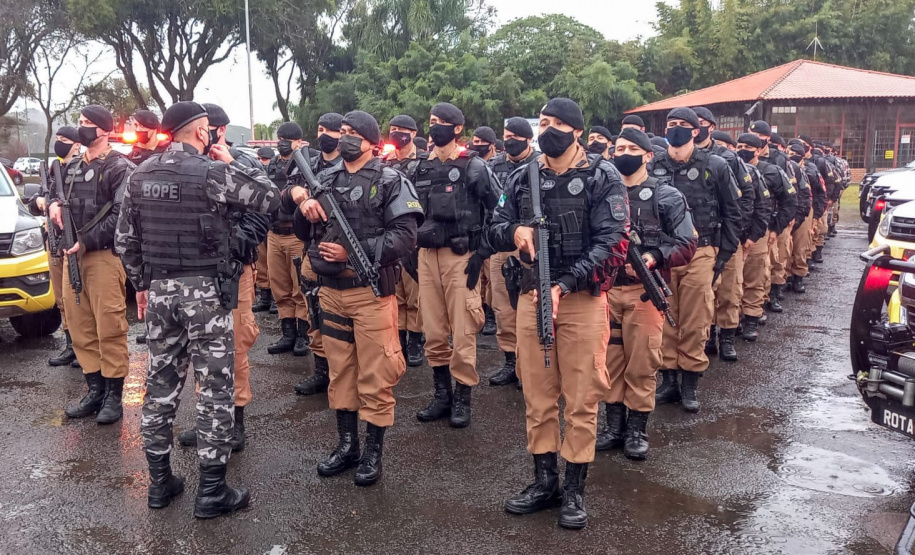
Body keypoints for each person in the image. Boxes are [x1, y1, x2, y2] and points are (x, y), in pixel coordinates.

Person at [115, 100, 280, 517]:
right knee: (216, 388)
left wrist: (142, 284)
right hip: (206, 293)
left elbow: (124, 243)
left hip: (161, 294)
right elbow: (269, 198)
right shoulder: (213, 172)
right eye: (208, 129)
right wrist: (235, 162)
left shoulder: (139, 175)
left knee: (160, 386)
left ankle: (159, 484)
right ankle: (211, 490)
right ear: (201, 131)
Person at [490, 98, 628, 529]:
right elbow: (491, 228)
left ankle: (574, 489)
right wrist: (514, 231)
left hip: (581, 302)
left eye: (554, 124)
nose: (545, 129)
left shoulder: (602, 176)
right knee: (538, 396)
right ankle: (544, 482)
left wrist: (567, 283)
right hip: (533, 298)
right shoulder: (520, 176)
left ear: (575, 131)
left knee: (582, 399)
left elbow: (613, 242)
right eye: (542, 123)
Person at [293, 111, 423, 486]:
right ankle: (347, 445)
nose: (344, 139)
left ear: (369, 141)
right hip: (332, 294)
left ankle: (372, 452)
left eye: (352, 134)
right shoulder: (325, 179)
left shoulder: (390, 180)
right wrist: (304, 205)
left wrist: (353, 253)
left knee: (376, 375)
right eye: (342, 132)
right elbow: (306, 231)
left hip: (370, 293)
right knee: (340, 372)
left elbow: (405, 237)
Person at [174, 103, 271, 452]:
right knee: (204, 347)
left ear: (221, 130)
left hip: (233, 271)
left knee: (235, 344)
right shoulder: (190, 167)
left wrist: (231, 245)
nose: (204, 133)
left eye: (210, 126)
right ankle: (210, 419)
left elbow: (262, 215)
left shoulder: (242, 165)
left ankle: (236, 420)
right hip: (198, 273)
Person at [596, 128, 696, 460]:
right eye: (618, 148)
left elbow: (686, 243)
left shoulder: (666, 196)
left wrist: (655, 257)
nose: (622, 153)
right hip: (607, 292)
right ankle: (613, 426)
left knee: (642, 361)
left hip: (643, 292)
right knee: (609, 362)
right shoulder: (601, 194)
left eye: (630, 148)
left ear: (648, 156)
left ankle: (637, 429)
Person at [410, 102, 500, 429]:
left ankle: (463, 396)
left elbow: (500, 207)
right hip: (427, 256)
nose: (435, 127)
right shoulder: (420, 167)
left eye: (442, 122)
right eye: (431, 121)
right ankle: (441, 394)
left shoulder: (473, 166)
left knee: (463, 330)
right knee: (433, 328)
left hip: (460, 257)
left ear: (458, 128)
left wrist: (481, 248)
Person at [48, 105, 134, 425]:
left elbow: (121, 216)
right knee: (80, 325)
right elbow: (61, 197)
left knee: (109, 328)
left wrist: (86, 242)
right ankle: (94, 389)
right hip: (74, 256)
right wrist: (56, 205)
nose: (81, 128)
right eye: (80, 122)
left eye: (87, 123)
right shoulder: (71, 167)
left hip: (103, 258)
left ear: (104, 130)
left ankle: (114, 395)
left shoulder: (118, 166)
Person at [653, 107, 741, 413]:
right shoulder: (654, 165)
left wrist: (724, 255)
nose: (675, 129)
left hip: (702, 250)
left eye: (682, 125)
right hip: (664, 254)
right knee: (664, 317)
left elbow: (733, 211)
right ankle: (668, 379)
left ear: (695, 131)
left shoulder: (715, 165)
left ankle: (690, 382)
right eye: (671, 124)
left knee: (696, 318)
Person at [286, 113, 345, 396]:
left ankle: (344, 374)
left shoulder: (351, 164)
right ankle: (321, 371)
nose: (326, 135)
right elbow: (287, 191)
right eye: (321, 129)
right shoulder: (307, 164)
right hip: (314, 247)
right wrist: (298, 192)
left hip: (345, 251)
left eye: (333, 131)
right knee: (314, 311)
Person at [692, 106, 753, 362]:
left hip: (726, 237)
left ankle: (727, 338)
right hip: (696, 242)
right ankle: (707, 337)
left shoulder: (727, 159)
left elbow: (746, 199)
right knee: (703, 296)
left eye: (701, 122)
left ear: (711, 127)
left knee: (729, 291)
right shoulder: (675, 160)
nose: (695, 127)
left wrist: (736, 234)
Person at [486, 117, 540, 386]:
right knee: (503, 307)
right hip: (504, 244)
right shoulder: (493, 165)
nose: (508, 140)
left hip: (534, 246)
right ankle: (510, 361)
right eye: (505, 135)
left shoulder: (540, 165)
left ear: (528, 140)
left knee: (530, 306)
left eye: (514, 136)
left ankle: (528, 365)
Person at [29, 126, 81, 368]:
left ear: (77, 144)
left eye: (65, 140)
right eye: (57, 139)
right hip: (54, 238)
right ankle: (71, 345)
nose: (59, 143)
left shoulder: (82, 168)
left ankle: (84, 346)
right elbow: (36, 200)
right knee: (61, 297)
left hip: (74, 239)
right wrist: (40, 201)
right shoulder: (53, 169)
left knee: (77, 297)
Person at [382, 114, 426, 367]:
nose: (397, 133)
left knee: (415, 295)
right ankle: (398, 338)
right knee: (395, 293)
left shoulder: (423, 162)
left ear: (412, 133)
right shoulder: (384, 163)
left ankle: (416, 341)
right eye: (393, 129)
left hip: (414, 236)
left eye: (402, 130)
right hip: (390, 237)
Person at [265, 122, 311, 357]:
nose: (281, 142)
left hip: (295, 234)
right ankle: (288, 334)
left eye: (286, 139)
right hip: (274, 234)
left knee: (299, 289)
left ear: (298, 142)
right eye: (279, 137)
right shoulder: (272, 163)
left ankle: (304, 336)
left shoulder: (306, 164)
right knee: (280, 287)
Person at [127, 110, 170, 345]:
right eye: (134, 126)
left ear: (154, 129)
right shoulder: (130, 157)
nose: (137, 131)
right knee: (143, 278)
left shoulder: (168, 153)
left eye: (141, 126)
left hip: (161, 223)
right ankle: (149, 324)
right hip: (140, 224)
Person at [748, 121, 798, 314]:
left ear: (768, 138)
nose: (756, 139)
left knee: (776, 259)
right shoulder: (739, 158)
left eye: (759, 136)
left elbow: (790, 193)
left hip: (775, 218)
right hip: (752, 219)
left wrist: (780, 224)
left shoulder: (780, 160)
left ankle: (773, 295)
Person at [735, 134, 774, 342]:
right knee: (732, 284)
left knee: (754, 279)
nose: (742, 150)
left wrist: (754, 236)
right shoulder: (728, 169)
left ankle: (751, 320)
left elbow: (764, 208)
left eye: (747, 146)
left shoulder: (767, 172)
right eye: (739, 145)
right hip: (733, 234)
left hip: (755, 234)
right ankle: (734, 320)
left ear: (759, 150)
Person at [470, 125, 500, 336]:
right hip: (474, 228)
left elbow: (501, 199)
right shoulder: (469, 165)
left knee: (492, 278)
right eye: (475, 141)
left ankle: (490, 314)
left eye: (482, 142)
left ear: (492, 145)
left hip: (493, 229)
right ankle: (479, 311)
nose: (477, 145)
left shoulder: (496, 166)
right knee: (477, 277)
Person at [785, 142, 813, 293]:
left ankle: (798, 276)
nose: (790, 155)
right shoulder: (783, 165)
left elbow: (805, 194)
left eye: (793, 153)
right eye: (788, 152)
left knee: (800, 246)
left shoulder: (806, 170)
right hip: (787, 211)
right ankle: (786, 277)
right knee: (785, 249)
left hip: (802, 210)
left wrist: (800, 216)